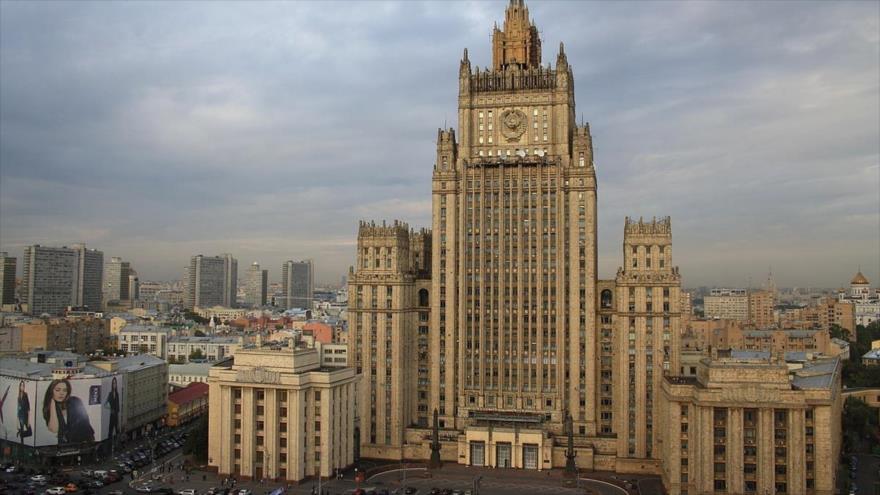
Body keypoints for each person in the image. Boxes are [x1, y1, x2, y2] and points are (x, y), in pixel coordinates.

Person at [42, 378, 95, 444]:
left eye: (65, 390)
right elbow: (54, 429)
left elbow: (85, 424)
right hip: (64, 445)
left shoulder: (75, 401)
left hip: (84, 442)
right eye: (57, 390)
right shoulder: (49, 407)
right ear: (51, 391)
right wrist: (52, 403)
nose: (61, 393)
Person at [105, 377, 121, 443]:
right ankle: (109, 444)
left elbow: (118, 405)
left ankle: (117, 444)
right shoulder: (110, 394)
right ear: (112, 384)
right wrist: (111, 409)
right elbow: (105, 404)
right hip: (112, 415)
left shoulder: (117, 394)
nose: (114, 384)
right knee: (110, 431)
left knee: (117, 431)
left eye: (115, 383)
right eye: (113, 383)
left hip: (116, 415)